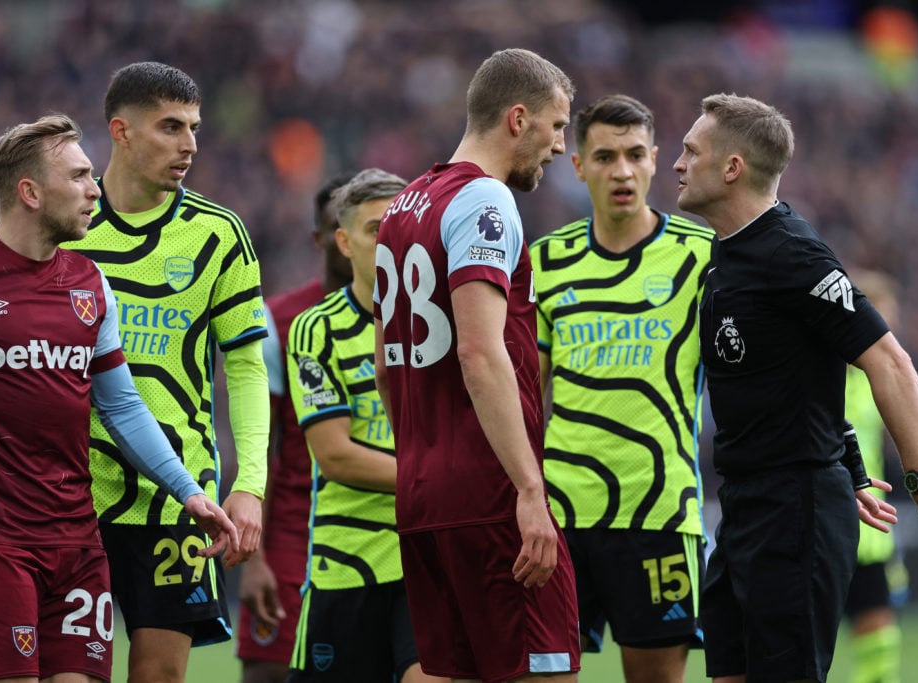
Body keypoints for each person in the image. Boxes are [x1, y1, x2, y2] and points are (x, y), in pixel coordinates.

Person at [672, 92, 918, 683]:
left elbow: (889, 361)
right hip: (744, 507)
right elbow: (801, 375)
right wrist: (849, 463)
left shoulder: (792, 253)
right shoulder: (724, 258)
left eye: (691, 150)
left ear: (733, 167)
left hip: (794, 509)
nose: (678, 163)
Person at [0, 114, 240, 682]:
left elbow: (120, 406)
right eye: (78, 176)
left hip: (76, 538)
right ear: (30, 192)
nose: (95, 189)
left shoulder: (89, 282)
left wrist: (188, 492)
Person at [373, 48, 581, 682]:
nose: (560, 146)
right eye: (557, 126)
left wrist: (420, 449)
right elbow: (479, 348)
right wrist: (528, 487)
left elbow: (386, 361)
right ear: (518, 119)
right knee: (546, 673)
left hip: (423, 490)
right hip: (488, 492)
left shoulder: (403, 205)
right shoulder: (485, 200)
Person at [61, 62, 270, 683]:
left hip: (179, 498)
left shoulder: (217, 234)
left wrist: (250, 483)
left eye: (195, 128)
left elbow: (247, 366)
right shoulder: (63, 228)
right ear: (120, 131)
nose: (190, 145)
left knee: (160, 677)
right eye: (170, 126)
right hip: (72, 493)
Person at [530, 94, 713, 683]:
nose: (623, 171)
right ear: (579, 166)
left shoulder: (701, 257)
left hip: (659, 511)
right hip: (560, 517)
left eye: (636, 155)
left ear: (657, 160)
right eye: (605, 156)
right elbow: (526, 397)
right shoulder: (544, 263)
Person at [284, 168, 446, 683]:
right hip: (348, 560)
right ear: (344, 242)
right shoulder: (316, 328)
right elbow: (335, 455)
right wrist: (436, 480)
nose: (391, 241)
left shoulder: (449, 324)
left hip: (427, 554)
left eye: (399, 227)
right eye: (377, 229)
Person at [236, 171, 355, 683]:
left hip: (382, 529)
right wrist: (255, 559)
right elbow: (257, 444)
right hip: (292, 533)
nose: (352, 241)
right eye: (338, 227)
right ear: (320, 237)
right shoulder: (276, 321)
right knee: (268, 673)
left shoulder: (414, 320)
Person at [842, 269, 909, 683]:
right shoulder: (826, 372)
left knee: (881, 647)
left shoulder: (876, 379)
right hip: (830, 520)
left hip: (874, 530)